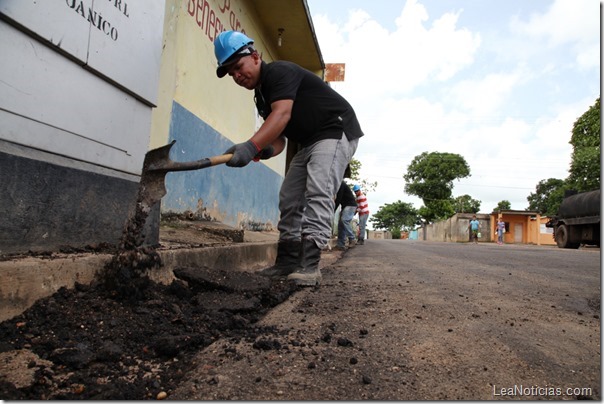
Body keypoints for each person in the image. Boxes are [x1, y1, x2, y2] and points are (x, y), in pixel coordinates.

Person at [214, 31, 364, 286]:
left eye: (238, 67)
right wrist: (262, 150)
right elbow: (279, 139)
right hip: (308, 141)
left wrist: (250, 146)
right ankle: (287, 261)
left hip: (334, 129)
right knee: (289, 196)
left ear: (256, 56)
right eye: (231, 73)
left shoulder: (279, 72)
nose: (237, 76)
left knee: (319, 190)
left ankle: (309, 265)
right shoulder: (262, 97)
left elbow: (282, 114)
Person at [334, 181, 357, 251]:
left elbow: (338, 198)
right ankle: (340, 244)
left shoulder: (340, 184)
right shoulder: (337, 184)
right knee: (341, 225)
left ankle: (352, 239)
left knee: (344, 220)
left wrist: (333, 210)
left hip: (350, 205)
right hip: (346, 206)